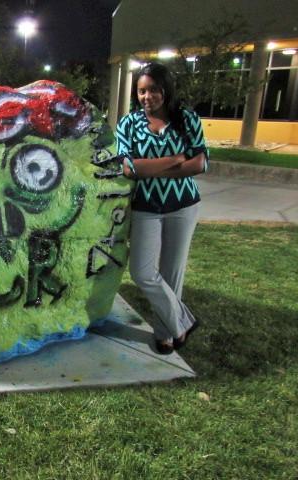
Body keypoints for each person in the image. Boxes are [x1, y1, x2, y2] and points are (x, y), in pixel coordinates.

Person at [116, 62, 207, 355]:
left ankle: (166, 334)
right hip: (146, 206)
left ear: (165, 89)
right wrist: (174, 160)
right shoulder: (128, 123)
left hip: (183, 205)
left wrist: (152, 169)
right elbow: (129, 168)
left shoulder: (187, 118)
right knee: (142, 270)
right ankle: (183, 321)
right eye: (142, 91)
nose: (147, 96)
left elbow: (201, 163)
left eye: (153, 89)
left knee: (172, 272)